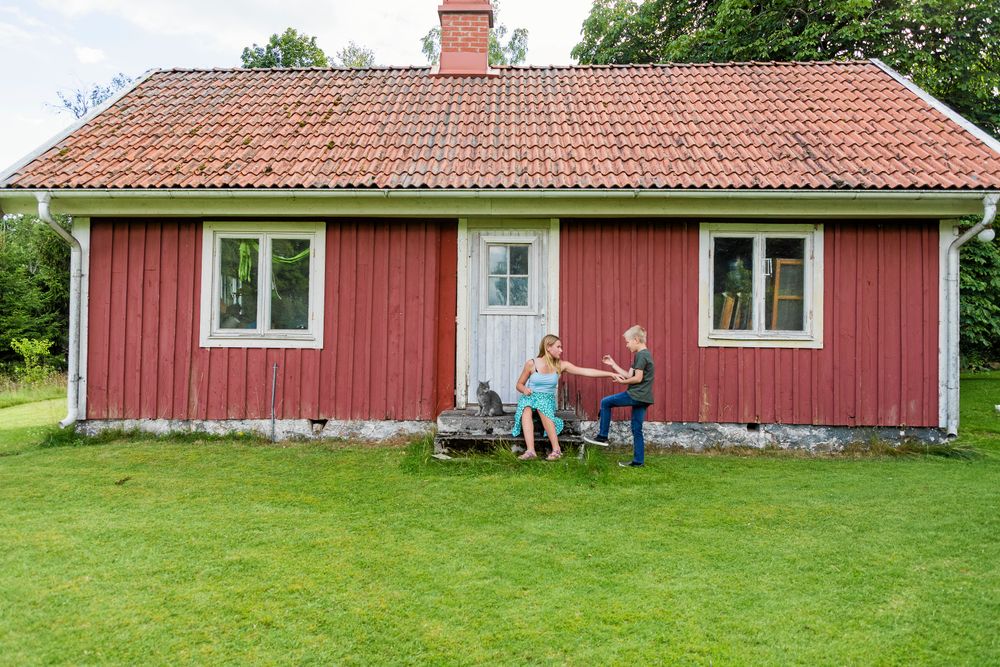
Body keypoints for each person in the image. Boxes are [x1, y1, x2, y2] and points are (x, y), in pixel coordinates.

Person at [512, 334, 619, 461]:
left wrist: (610, 373)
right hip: (530, 397)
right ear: (548, 347)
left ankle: (556, 450)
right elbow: (519, 384)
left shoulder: (561, 365)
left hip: (546, 399)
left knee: (541, 406)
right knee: (526, 409)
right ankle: (530, 451)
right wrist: (525, 389)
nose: (561, 350)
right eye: (558, 347)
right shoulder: (531, 364)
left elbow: (585, 371)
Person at [583, 325, 655, 467]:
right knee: (636, 428)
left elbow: (637, 379)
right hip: (645, 397)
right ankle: (638, 461)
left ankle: (602, 436)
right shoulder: (643, 355)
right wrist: (613, 364)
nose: (627, 345)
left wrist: (623, 383)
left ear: (636, 339)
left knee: (606, 402)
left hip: (636, 394)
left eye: (628, 342)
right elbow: (629, 375)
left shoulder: (641, 355)